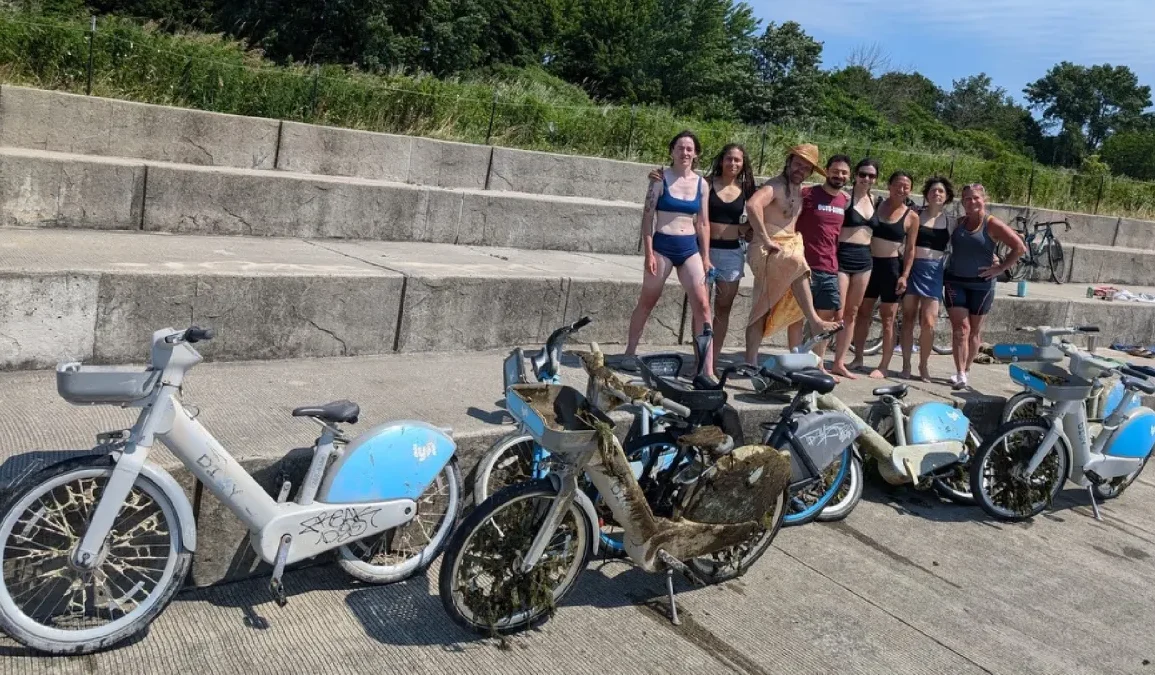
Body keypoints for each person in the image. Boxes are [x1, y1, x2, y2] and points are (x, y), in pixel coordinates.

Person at [647, 144, 756, 369]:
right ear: (721, 160)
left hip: (732, 253)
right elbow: (682, 180)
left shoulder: (748, 189)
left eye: (737, 160)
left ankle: (712, 361)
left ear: (743, 164)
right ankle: (699, 360)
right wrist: (656, 174)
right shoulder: (705, 182)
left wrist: (747, 229)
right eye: (729, 159)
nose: (733, 164)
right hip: (702, 251)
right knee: (701, 306)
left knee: (723, 308)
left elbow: (760, 212)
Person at [625, 130, 715, 375]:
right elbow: (647, 217)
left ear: (695, 154)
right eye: (680, 148)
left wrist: (706, 257)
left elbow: (704, 223)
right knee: (648, 300)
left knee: (703, 305)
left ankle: (706, 367)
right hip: (663, 246)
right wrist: (649, 253)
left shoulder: (701, 184)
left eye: (689, 149)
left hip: (689, 248)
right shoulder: (659, 179)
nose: (684, 152)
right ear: (672, 151)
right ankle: (630, 352)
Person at [743, 144, 840, 368]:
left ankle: (750, 362)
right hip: (767, 248)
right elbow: (752, 205)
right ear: (789, 162)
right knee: (796, 262)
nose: (800, 170)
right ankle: (815, 321)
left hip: (786, 248)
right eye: (797, 164)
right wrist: (765, 237)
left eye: (806, 168)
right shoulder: (774, 186)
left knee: (762, 305)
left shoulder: (801, 191)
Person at [943, 183, 1025, 389]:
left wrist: (1001, 268)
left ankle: (967, 368)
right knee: (961, 329)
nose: (972, 202)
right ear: (962, 202)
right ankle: (960, 372)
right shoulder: (960, 223)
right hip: (955, 280)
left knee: (974, 331)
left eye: (975, 198)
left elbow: (1019, 247)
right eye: (967, 199)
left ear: (984, 200)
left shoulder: (992, 224)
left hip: (982, 285)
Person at [849, 171, 919, 379]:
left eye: (906, 186)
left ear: (910, 190)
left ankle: (884, 365)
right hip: (870, 264)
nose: (901, 189)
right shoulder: (876, 205)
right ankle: (858, 357)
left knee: (888, 318)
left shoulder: (911, 216)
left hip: (892, 268)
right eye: (898, 185)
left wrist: (904, 275)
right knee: (863, 312)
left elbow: (911, 249)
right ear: (889, 185)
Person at [787, 155, 852, 371]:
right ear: (826, 171)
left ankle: (819, 366)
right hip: (804, 266)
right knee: (796, 317)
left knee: (827, 319)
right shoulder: (808, 194)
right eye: (835, 171)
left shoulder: (845, 200)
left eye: (844, 172)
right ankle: (795, 364)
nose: (839, 175)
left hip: (830, 268)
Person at [899, 176, 954, 381]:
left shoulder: (951, 222)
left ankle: (923, 366)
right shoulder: (915, 215)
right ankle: (906, 365)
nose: (937, 193)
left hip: (934, 272)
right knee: (908, 319)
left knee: (929, 322)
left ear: (947, 196)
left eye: (941, 191)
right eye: (933, 190)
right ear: (926, 194)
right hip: (913, 268)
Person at [830, 158, 880, 380]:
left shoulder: (876, 200)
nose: (866, 179)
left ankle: (839, 362)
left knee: (853, 312)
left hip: (864, 259)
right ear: (855, 175)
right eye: (862, 174)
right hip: (843, 256)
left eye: (871, 176)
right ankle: (820, 359)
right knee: (837, 311)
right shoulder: (844, 198)